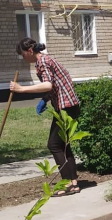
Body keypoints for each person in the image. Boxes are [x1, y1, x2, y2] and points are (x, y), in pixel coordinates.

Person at [10, 38, 81, 196]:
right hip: (70, 106)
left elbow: (48, 84)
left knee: (54, 145)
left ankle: (67, 184)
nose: (23, 59)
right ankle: (73, 183)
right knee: (64, 145)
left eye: (23, 55)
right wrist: (45, 99)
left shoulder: (42, 62)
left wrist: (21, 89)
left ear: (29, 51)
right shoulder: (46, 59)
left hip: (66, 107)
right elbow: (55, 85)